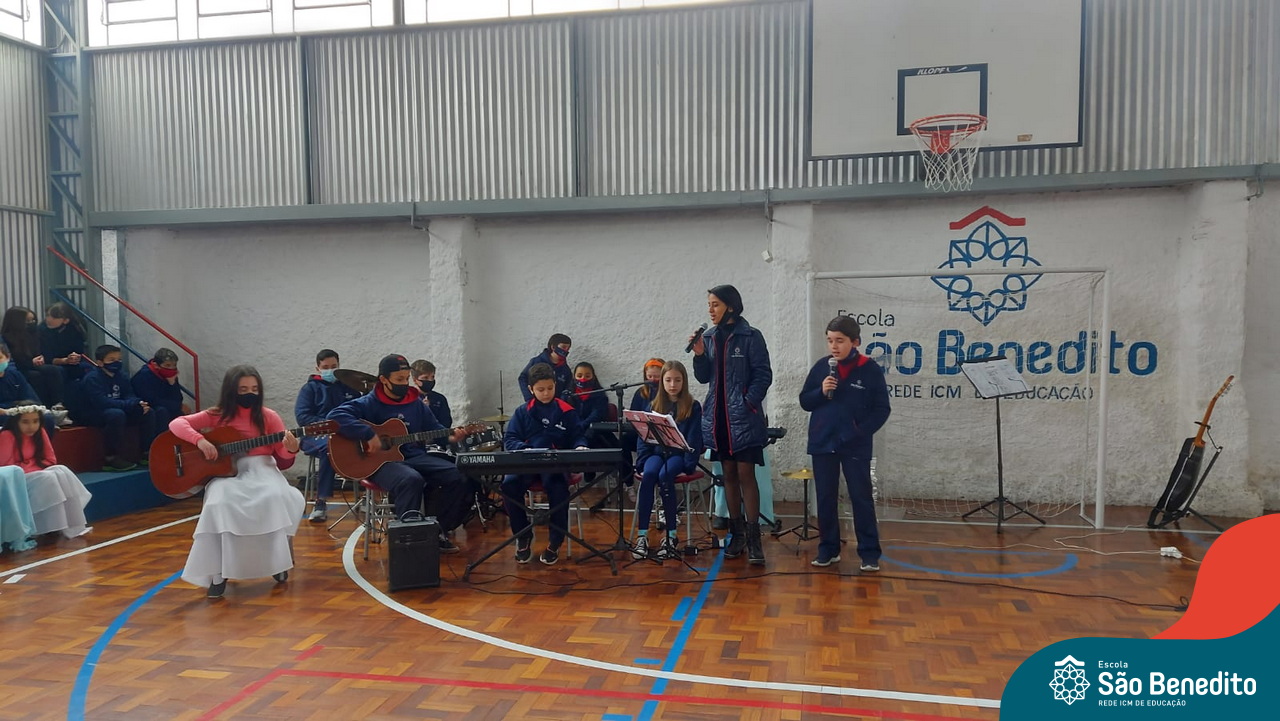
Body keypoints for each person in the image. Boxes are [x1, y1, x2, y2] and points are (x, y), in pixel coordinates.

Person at [169, 366, 305, 599]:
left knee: (274, 497)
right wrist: (200, 440)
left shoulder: (268, 416)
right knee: (218, 502)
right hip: (227, 472)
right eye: (243, 389)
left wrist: (291, 449)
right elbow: (177, 424)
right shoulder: (217, 414)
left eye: (254, 389)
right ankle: (218, 572)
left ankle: (276, 561)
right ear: (231, 390)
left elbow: (282, 453)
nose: (249, 393)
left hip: (263, 469)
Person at [328, 354, 471, 553]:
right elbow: (335, 416)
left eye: (406, 379)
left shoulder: (415, 402)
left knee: (458, 475)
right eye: (399, 379)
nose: (404, 384)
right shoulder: (369, 402)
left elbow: (434, 428)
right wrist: (368, 434)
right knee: (410, 479)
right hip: (381, 463)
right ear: (383, 379)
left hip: (414, 456)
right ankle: (407, 541)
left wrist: (451, 437)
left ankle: (437, 530)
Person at [799, 316, 891, 571]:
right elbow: (805, 401)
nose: (834, 346)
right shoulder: (822, 367)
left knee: (861, 498)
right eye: (830, 341)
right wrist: (821, 391)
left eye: (839, 341)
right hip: (823, 441)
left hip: (855, 445)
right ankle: (828, 549)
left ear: (855, 342)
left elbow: (882, 409)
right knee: (825, 498)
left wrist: (859, 432)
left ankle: (869, 553)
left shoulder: (869, 369)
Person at [690, 284, 773, 565]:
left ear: (731, 306)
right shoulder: (709, 338)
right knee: (728, 475)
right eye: (709, 304)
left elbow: (763, 374)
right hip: (719, 419)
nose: (710, 310)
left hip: (745, 418)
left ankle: (754, 537)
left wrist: (748, 402)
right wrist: (699, 354)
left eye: (715, 304)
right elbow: (703, 377)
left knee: (746, 474)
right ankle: (736, 534)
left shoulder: (751, 336)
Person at [502, 363, 589, 566]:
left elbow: (578, 436)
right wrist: (526, 449)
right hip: (527, 463)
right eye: (540, 389)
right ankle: (523, 535)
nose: (546, 393)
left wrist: (580, 446)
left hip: (555, 465)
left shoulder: (566, 411)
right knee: (508, 485)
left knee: (558, 489)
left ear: (555, 386)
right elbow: (510, 439)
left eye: (550, 388)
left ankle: (555, 541)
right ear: (531, 389)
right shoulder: (522, 412)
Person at [632, 360, 703, 561]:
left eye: (677, 380)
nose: (673, 385)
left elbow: (694, 439)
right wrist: (642, 461)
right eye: (668, 380)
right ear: (662, 382)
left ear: (684, 381)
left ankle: (671, 536)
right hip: (655, 453)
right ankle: (642, 536)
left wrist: (688, 465)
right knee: (649, 475)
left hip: (678, 456)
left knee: (664, 476)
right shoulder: (653, 405)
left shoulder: (693, 406)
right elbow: (643, 437)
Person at [0, 402, 92, 541]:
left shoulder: (40, 433)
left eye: (35, 421)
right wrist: (34, 467)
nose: (31, 426)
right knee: (47, 478)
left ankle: (66, 525)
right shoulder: (7, 435)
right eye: (25, 422)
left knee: (62, 471)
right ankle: (40, 527)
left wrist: (33, 466)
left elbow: (50, 459)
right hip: (16, 480)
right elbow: (7, 468)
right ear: (15, 422)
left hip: (37, 472)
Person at [294, 349, 361, 522]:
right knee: (329, 448)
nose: (330, 370)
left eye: (334, 366)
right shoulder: (309, 389)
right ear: (317, 368)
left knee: (366, 442)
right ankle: (320, 502)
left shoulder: (348, 387)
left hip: (344, 434)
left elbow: (360, 410)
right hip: (314, 437)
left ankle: (367, 495)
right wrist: (328, 425)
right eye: (325, 367)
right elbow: (302, 417)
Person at [73, 345, 156, 471]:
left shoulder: (122, 376)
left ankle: (146, 452)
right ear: (100, 363)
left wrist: (138, 403)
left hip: (117, 408)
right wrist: (130, 404)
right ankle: (110, 458)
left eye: (119, 359)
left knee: (147, 412)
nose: (116, 363)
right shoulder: (92, 378)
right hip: (92, 413)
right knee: (116, 415)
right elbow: (102, 402)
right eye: (111, 360)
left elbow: (129, 394)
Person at [1, 306, 63, 407]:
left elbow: (42, 350)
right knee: (35, 376)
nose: (32, 323)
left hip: (34, 363)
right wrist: (31, 362)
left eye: (33, 320)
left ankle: (57, 404)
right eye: (28, 321)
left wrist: (41, 357)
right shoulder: (7, 338)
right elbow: (13, 360)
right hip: (20, 367)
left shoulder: (35, 333)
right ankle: (42, 406)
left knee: (54, 370)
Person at [131, 348, 190, 441]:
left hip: (162, 404)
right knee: (161, 412)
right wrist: (177, 405)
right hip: (144, 405)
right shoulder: (144, 375)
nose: (171, 368)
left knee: (180, 413)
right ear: (156, 365)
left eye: (174, 365)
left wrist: (172, 384)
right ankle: (157, 444)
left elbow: (178, 398)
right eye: (167, 365)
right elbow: (150, 399)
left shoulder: (171, 375)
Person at [38, 302, 88, 384]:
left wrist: (74, 357)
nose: (49, 319)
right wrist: (65, 360)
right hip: (50, 363)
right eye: (47, 315)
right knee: (58, 371)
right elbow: (46, 357)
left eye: (54, 317)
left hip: (70, 362)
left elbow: (79, 350)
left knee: (87, 369)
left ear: (65, 320)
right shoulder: (41, 330)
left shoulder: (74, 330)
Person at [517, 333, 572, 402]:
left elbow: (568, 387)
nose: (566, 351)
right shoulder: (536, 361)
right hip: (536, 403)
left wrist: (562, 400)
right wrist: (529, 399)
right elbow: (522, 378)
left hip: (554, 405)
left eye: (568, 348)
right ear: (553, 347)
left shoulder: (566, 370)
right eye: (563, 347)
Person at [411, 359, 452, 428]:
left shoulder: (440, 398)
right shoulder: (409, 398)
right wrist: (422, 409)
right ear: (415, 380)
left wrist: (431, 409)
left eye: (432, 377)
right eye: (425, 377)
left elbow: (446, 423)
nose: (430, 380)